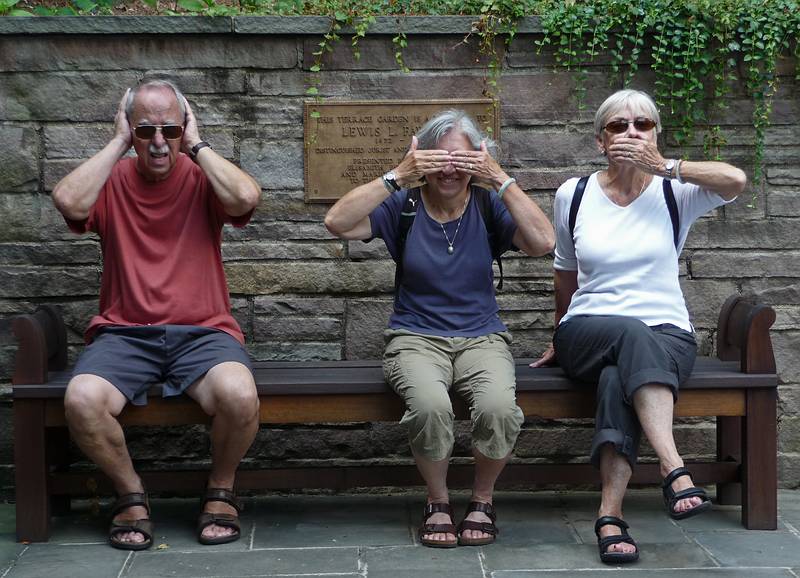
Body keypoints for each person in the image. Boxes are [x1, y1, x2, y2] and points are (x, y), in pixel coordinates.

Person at [532, 89, 746, 564]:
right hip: (587, 329)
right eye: (618, 125)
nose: (631, 131)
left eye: (642, 124)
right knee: (628, 333)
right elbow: (565, 271)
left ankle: (610, 515)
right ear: (600, 140)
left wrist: (665, 165)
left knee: (617, 378)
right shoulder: (576, 193)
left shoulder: (676, 191)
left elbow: (735, 180)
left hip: (667, 333)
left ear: (656, 134)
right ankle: (674, 467)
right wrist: (558, 332)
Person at [325, 110, 554, 548]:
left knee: (499, 410)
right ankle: (438, 501)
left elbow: (544, 243)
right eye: (439, 157)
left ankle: (483, 500)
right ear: (422, 157)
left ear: (479, 161)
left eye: (463, 160)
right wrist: (397, 176)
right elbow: (336, 222)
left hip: (481, 337)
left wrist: (500, 179)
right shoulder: (404, 205)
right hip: (415, 337)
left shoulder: (488, 205)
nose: (450, 168)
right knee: (430, 407)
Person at [51, 79, 261, 550]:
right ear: (130, 129)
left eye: (170, 128)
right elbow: (68, 201)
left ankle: (220, 492)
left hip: (203, 332)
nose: (159, 141)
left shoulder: (200, 175)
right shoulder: (113, 180)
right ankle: (131, 496)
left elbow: (246, 198)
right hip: (125, 335)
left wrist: (198, 144)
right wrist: (118, 143)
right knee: (81, 398)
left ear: (184, 126)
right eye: (146, 130)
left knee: (239, 394)